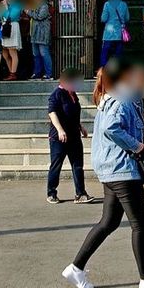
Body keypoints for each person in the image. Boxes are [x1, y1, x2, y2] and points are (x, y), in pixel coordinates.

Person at [62, 58, 144, 288]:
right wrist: (137, 146)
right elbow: (111, 128)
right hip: (121, 168)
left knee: (109, 221)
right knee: (140, 223)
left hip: (110, 167)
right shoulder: (123, 98)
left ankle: (76, 267)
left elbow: (119, 123)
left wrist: (142, 129)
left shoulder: (114, 96)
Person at [47, 67, 93, 204]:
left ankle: (80, 193)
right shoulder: (57, 94)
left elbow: (73, 114)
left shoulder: (73, 95)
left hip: (74, 135)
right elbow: (52, 112)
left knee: (77, 165)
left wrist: (80, 126)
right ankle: (51, 193)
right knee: (56, 165)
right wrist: (60, 130)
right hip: (59, 138)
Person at [25, 0, 53, 79]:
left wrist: (29, 12)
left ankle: (48, 73)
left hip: (42, 33)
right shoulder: (33, 4)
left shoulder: (44, 5)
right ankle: (37, 72)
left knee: (44, 53)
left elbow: (40, 16)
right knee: (35, 54)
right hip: (34, 33)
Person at [99, 0, 130, 68]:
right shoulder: (124, 4)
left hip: (109, 33)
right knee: (118, 54)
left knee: (105, 53)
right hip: (120, 33)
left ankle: (104, 70)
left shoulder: (107, 4)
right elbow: (127, 18)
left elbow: (103, 19)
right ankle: (117, 70)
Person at [1, 0, 24, 80]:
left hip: (12, 27)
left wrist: (6, 8)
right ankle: (10, 71)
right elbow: (0, 15)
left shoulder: (17, 5)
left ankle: (13, 73)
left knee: (12, 51)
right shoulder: (6, 5)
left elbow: (10, 17)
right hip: (5, 28)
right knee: (5, 53)